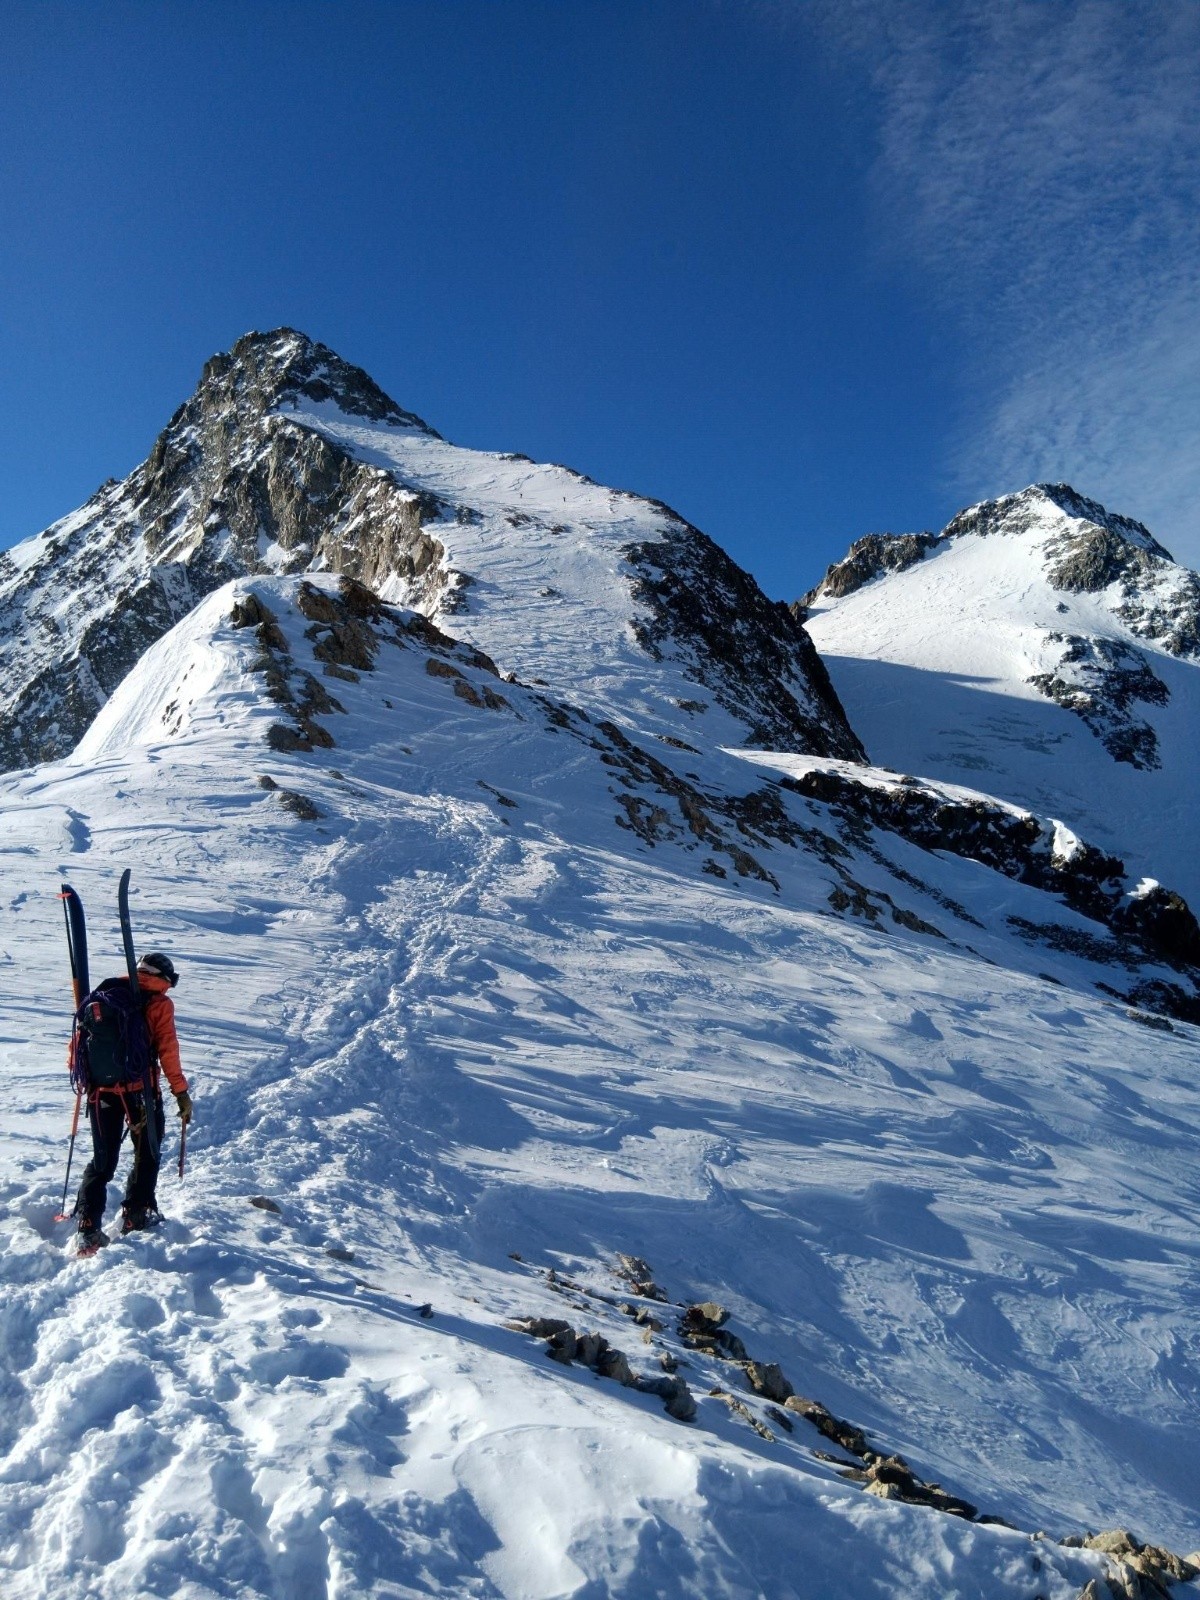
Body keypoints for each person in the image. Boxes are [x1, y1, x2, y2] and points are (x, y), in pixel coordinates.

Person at [74, 952, 193, 1251]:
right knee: (147, 1151)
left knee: (102, 1161)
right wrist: (180, 1092)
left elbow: (77, 1045)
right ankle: (136, 1214)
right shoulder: (158, 1003)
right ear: (164, 978)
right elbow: (168, 1050)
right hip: (140, 1092)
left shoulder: (105, 994)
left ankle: (87, 1227)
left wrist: (88, 1081)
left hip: (100, 1093)